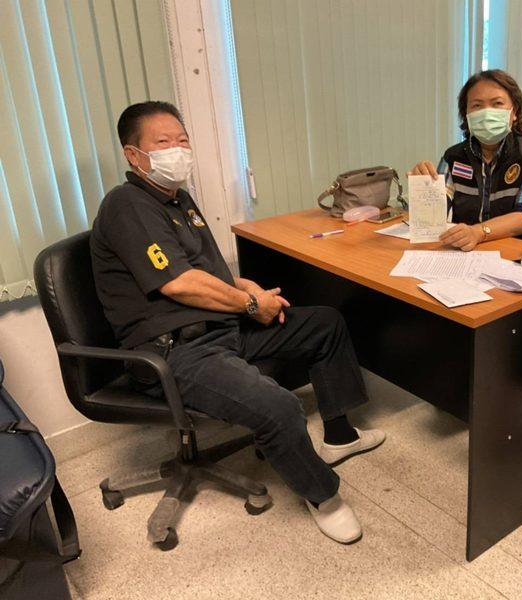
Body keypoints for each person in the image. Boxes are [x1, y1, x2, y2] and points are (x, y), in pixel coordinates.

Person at [90, 101, 385, 543]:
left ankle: (340, 436)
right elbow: (179, 283)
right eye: (163, 142)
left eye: (182, 140)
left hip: (218, 327)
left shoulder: (178, 200)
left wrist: (247, 289)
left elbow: (206, 270)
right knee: (279, 407)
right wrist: (249, 305)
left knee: (324, 323)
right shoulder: (127, 205)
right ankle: (324, 497)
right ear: (134, 155)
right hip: (173, 351)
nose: (178, 150)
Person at [410, 69, 522, 252]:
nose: (487, 113)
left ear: (515, 111)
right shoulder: (453, 157)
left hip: (521, 251)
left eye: (497, 104)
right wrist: (422, 189)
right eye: (477, 105)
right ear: (466, 114)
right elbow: (432, 219)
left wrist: (478, 232)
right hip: (465, 252)